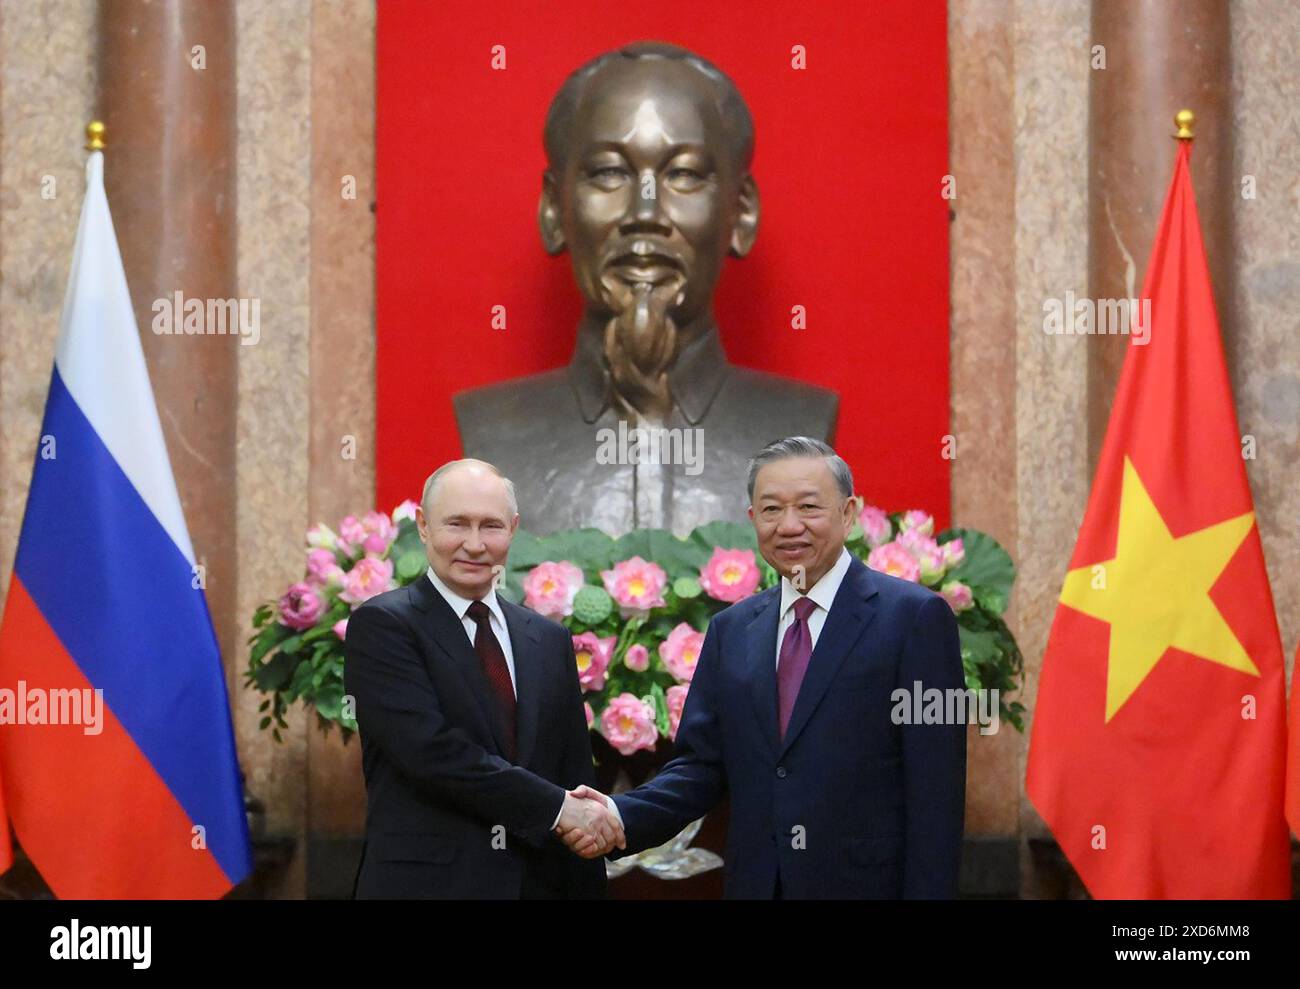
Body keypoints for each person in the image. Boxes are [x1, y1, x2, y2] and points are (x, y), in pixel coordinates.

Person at [559, 437, 967, 898]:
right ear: (753, 520)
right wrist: (618, 816)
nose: (789, 526)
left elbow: (937, 794)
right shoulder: (732, 630)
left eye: (809, 507)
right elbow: (701, 767)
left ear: (848, 513)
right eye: (771, 510)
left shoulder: (914, 618)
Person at [343, 459, 622, 898]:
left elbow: (571, 768)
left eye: (490, 526)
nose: (474, 545)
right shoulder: (384, 625)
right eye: (456, 524)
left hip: (537, 884)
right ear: (423, 526)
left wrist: (586, 835)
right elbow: (432, 754)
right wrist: (560, 809)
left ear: (512, 529)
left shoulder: (547, 638)